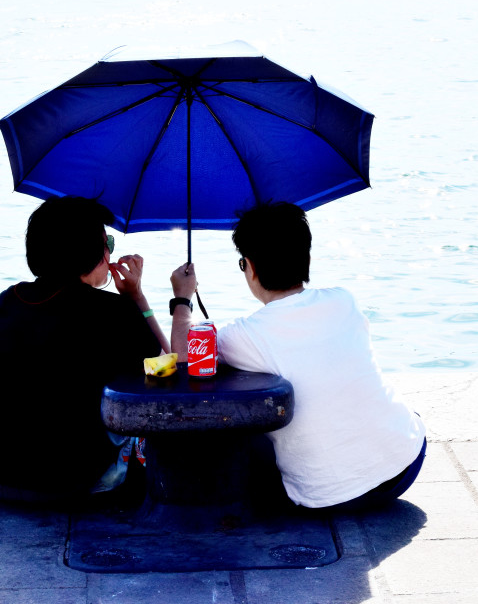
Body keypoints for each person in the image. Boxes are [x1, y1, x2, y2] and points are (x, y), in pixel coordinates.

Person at [170, 202, 426, 511]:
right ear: (306, 257)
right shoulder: (344, 301)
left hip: (329, 497)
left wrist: (183, 297)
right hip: (405, 464)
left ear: (250, 267)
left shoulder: (248, 335)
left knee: (239, 433)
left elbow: (185, 354)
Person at [0, 196, 169, 503]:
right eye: (106, 242)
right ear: (91, 252)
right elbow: (164, 370)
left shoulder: (10, 299)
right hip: (69, 481)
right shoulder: (114, 311)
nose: (110, 252)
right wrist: (137, 298)